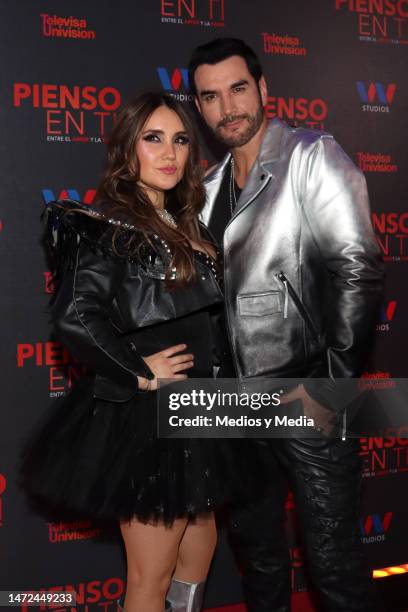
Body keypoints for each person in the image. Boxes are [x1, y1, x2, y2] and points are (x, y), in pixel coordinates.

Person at [22, 92, 266, 612]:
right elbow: (76, 314)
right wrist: (139, 371)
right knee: (149, 577)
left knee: (198, 556)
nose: (169, 153)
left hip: (202, 411)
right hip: (150, 419)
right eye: (152, 138)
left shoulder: (190, 224)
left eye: (179, 139)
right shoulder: (107, 226)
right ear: (126, 148)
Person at [188, 38, 385, 611]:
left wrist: (333, 382)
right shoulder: (204, 190)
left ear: (264, 88)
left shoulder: (310, 154)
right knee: (262, 561)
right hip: (235, 406)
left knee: (335, 563)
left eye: (238, 89)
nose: (228, 108)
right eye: (211, 96)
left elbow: (358, 264)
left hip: (305, 393)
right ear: (198, 107)